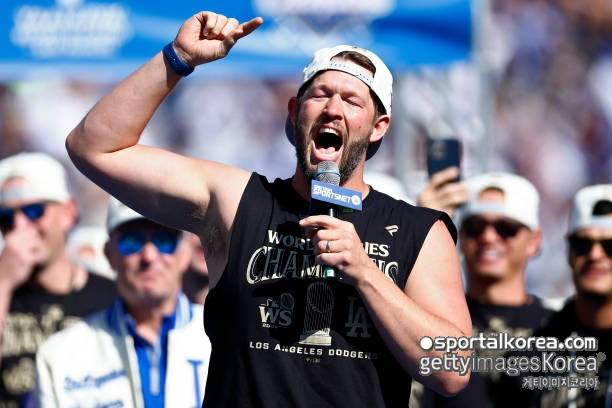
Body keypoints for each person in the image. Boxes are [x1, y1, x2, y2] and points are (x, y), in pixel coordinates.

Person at [65, 11, 472, 407]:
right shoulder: (238, 201)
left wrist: (366, 273)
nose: (332, 109)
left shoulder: (419, 229)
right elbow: (94, 148)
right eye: (320, 95)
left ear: (378, 126)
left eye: (351, 101)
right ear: (294, 112)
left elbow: (453, 370)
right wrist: (178, 58)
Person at [36, 198, 211, 407]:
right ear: (109, 254)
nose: (149, 256)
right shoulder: (60, 355)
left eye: (164, 241)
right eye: (132, 242)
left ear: (184, 254)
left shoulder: (227, 338)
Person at [415, 172, 552, 407]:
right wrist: (422, 228)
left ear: (534, 241)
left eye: (506, 228)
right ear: (460, 235)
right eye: (475, 227)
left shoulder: (558, 328)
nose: (488, 237)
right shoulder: (434, 320)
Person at [0, 152, 116, 407]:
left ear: (68, 213)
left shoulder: (110, 296)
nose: (19, 226)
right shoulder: (3, 291)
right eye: (6, 218)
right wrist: (3, 282)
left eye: (33, 211)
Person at [531, 185, 612, 407]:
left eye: (610, 246)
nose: (595, 255)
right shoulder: (536, 350)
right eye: (582, 244)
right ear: (568, 251)